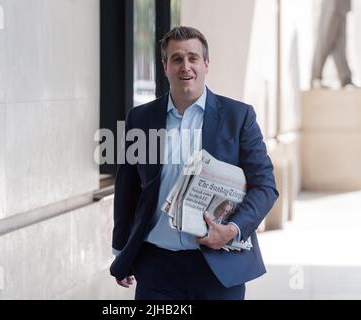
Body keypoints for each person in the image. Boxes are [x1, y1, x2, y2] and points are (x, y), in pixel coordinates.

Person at [110, 26, 278, 300]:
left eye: (193, 58)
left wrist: (231, 231)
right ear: (165, 66)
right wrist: (122, 251)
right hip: (156, 267)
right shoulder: (140, 119)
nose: (185, 66)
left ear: (206, 64)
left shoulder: (238, 117)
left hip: (219, 266)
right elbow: (127, 189)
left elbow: (265, 187)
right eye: (176, 59)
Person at [311, 0, 355, 88]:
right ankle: (316, 77)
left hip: (342, 5)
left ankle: (345, 79)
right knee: (325, 39)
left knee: (340, 44)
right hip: (332, 4)